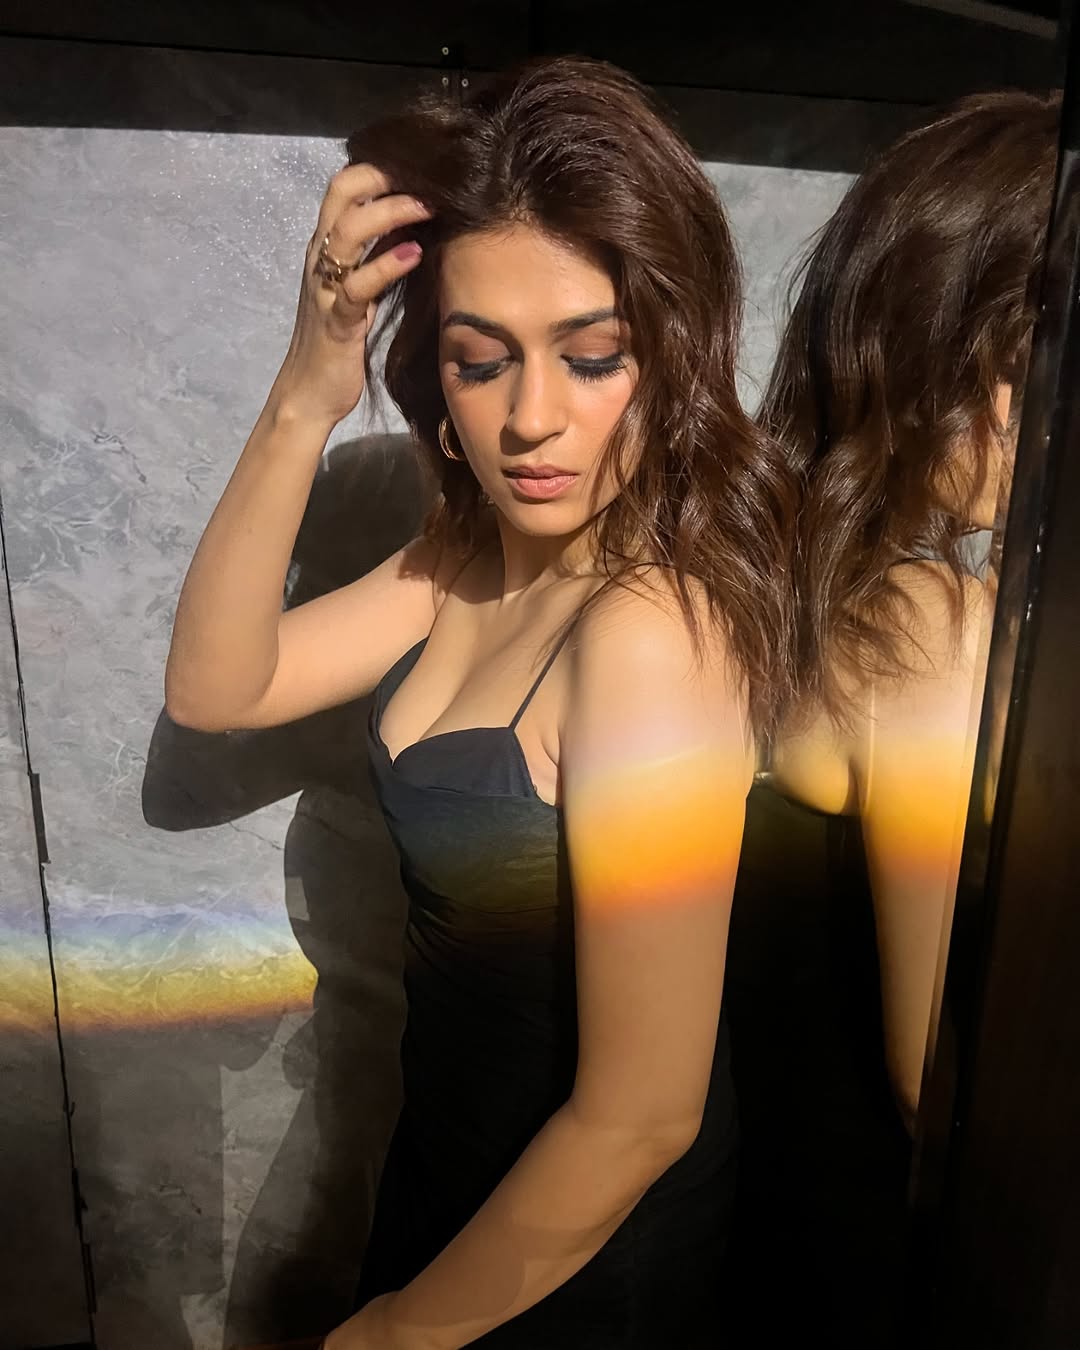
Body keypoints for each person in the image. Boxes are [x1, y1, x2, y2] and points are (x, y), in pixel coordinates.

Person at [163, 55, 797, 1350]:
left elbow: (643, 1113)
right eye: (479, 360)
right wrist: (308, 390)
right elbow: (218, 686)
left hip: (585, 1249)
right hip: (452, 1174)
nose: (531, 419)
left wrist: (396, 1333)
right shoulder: (461, 559)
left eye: (593, 356)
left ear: (671, 354)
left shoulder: (652, 636)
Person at [719, 89, 1060, 1348]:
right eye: (1026, 357)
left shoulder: (810, 585)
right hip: (883, 1264)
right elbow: (940, 1077)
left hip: (777, 1239)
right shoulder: (927, 627)